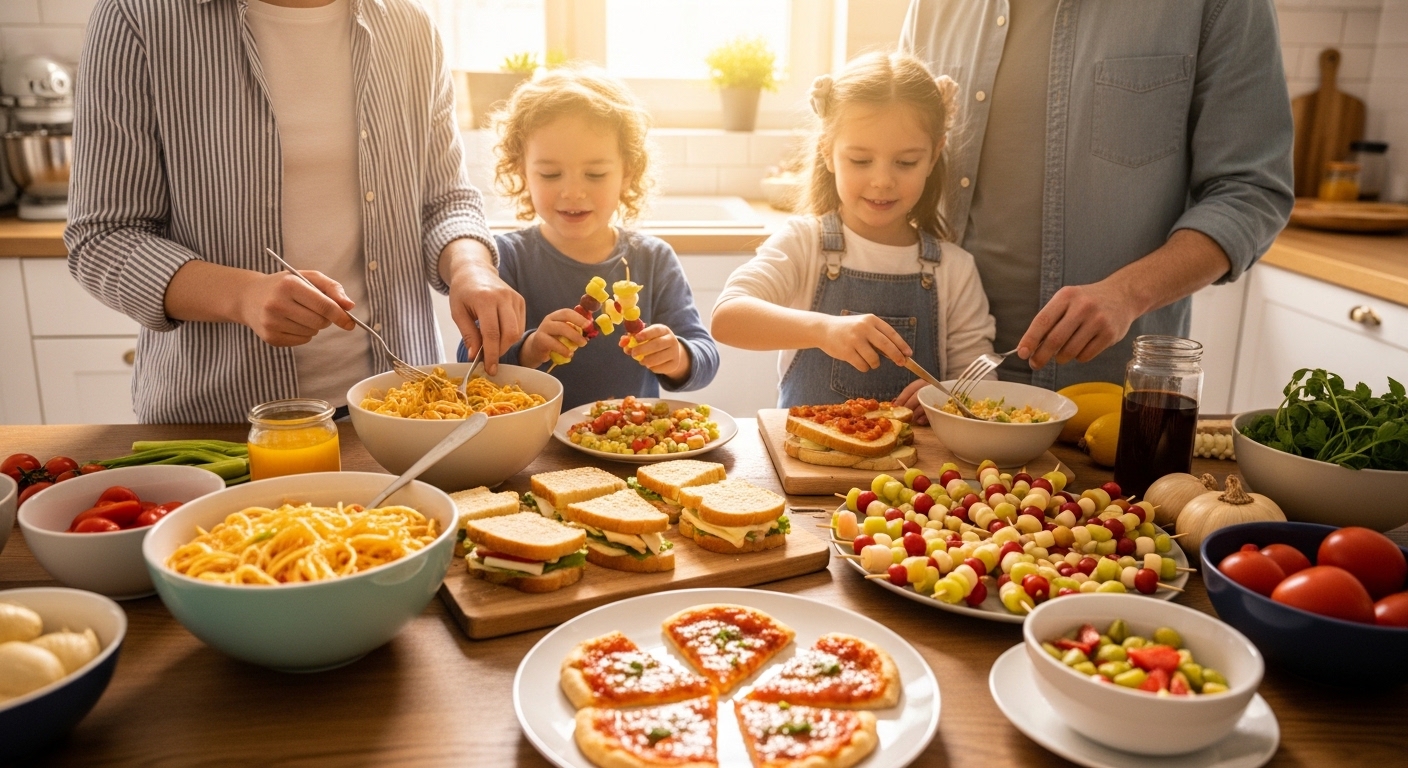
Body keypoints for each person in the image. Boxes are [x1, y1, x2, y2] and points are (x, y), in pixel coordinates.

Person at [64, 0, 524, 423]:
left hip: (401, 415)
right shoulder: (139, 17)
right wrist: (242, 295)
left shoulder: (410, 26)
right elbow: (103, 236)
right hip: (221, 418)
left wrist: (471, 268)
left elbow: (444, 201)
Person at [901, 0, 1294, 387]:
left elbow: (1250, 191)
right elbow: (885, 159)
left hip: (1108, 388)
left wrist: (1128, 293)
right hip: (935, 382)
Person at [711, 51, 995, 414]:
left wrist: (949, 396)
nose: (882, 180)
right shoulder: (804, 244)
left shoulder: (954, 269)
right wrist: (823, 330)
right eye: (860, 160)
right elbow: (728, 318)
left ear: (934, 155)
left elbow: (981, 383)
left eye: (906, 162)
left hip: (914, 469)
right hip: (804, 464)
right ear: (827, 151)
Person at [456, 67, 719, 408]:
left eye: (595, 174)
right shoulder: (505, 258)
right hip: (534, 448)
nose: (573, 192)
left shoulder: (653, 260)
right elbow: (468, 358)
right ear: (523, 172)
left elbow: (705, 355)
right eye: (550, 174)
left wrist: (679, 356)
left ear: (629, 173)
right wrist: (530, 348)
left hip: (626, 441)